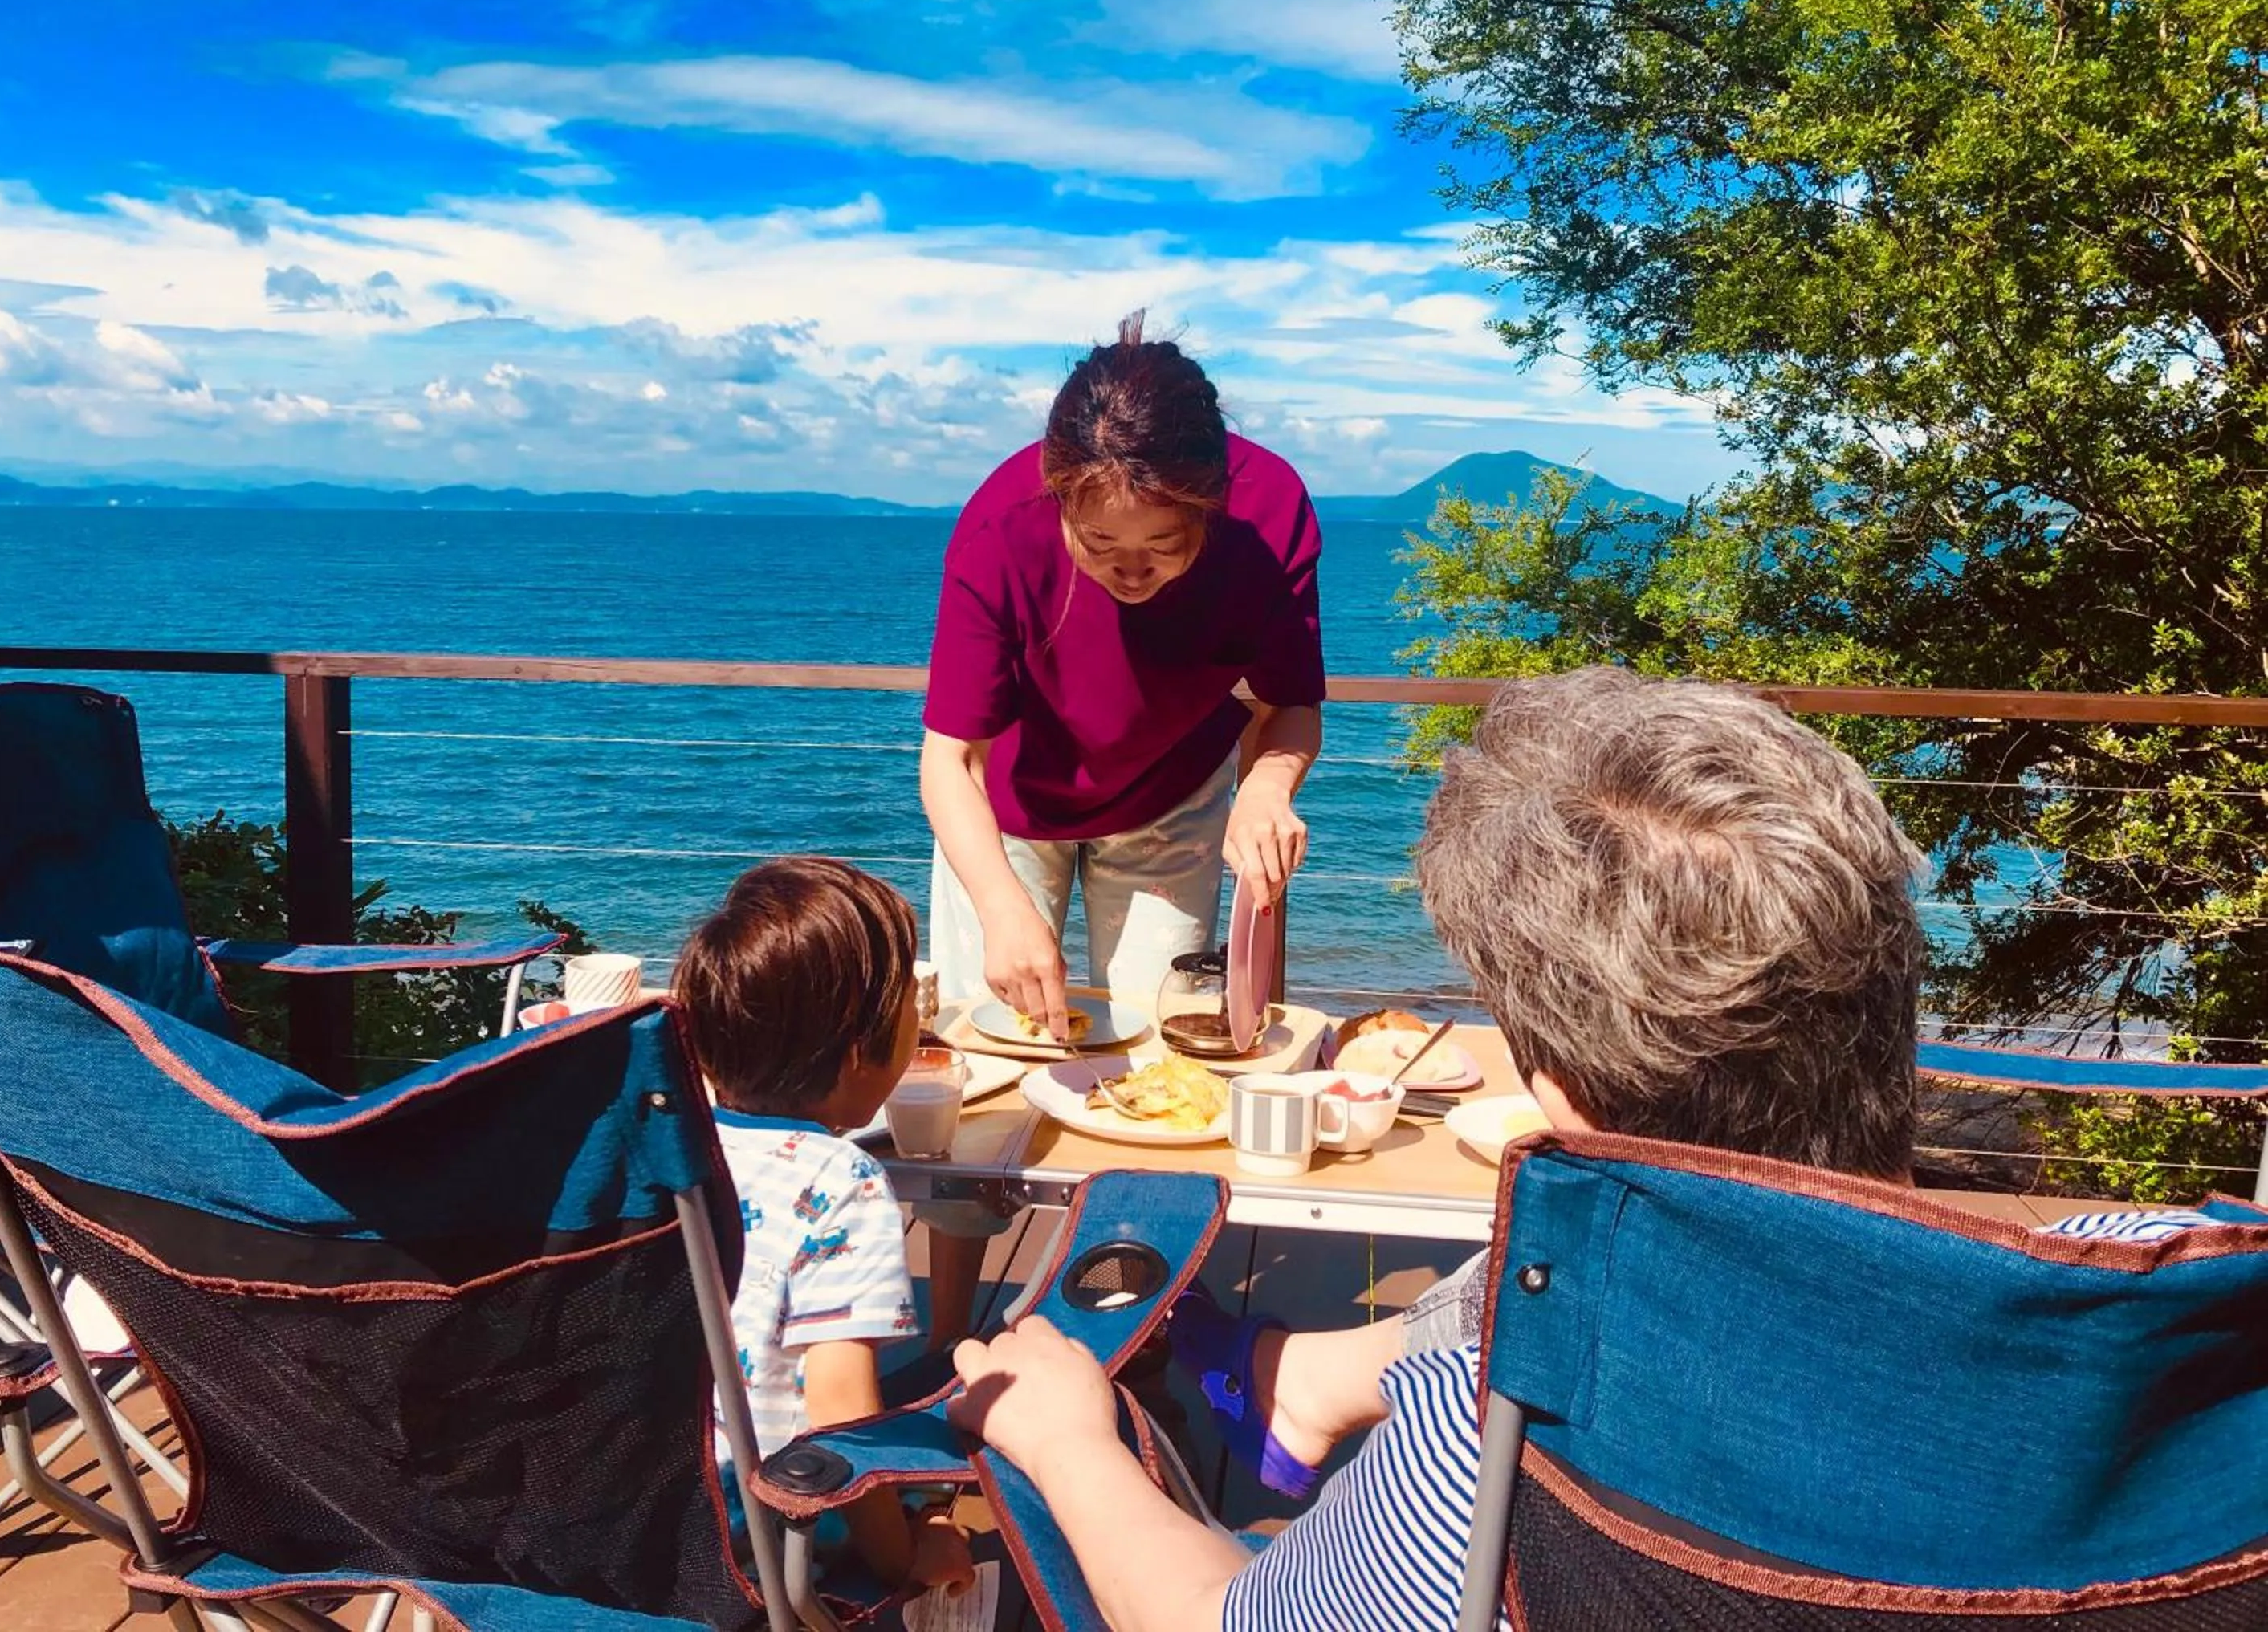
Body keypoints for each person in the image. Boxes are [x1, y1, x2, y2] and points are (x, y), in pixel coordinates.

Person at [943, 667, 2217, 1631]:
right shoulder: (2176, 1309)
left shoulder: (1504, 1432)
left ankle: (1291, 1382)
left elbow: (1230, 1619)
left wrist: (1068, 1443)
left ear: (1551, 1095)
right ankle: (1304, 1376)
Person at [921, 311, 1326, 1036]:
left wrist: (1266, 787)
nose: (1131, 572)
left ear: (1213, 503)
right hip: (1007, 804)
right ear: (1057, 494)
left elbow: (1290, 704)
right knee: (993, 1036)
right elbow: (949, 758)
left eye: (1165, 544)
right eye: (1099, 542)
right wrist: (999, 906)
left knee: (1157, 1038)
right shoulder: (1000, 525)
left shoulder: (1270, 516)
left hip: (1173, 794)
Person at [671, 857, 975, 1597]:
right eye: (910, 1008)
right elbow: (843, 1412)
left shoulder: (669, 1152)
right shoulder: (841, 1182)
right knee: (978, 1404)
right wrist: (901, 1561)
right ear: (856, 1055)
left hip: (625, 1509)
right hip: (763, 1532)